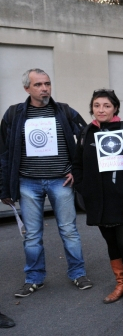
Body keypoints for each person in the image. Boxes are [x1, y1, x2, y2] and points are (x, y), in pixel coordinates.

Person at [0, 68, 92, 297]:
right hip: (27, 183)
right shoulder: (14, 114)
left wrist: (77, 171)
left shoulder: (64, 111)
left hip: (61, 181)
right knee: (31, 235)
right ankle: (34, 278)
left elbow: (86, 138)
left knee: (69, 230)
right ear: (27, 88)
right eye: (39, 85)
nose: (44, 88)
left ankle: (78, 274)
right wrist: (4, 187)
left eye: (47, 84)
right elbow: (3, 153)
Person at [72, 89, 123, 305]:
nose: (101, 109)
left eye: (106, 105)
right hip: (97, 200)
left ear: (115, 108)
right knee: (111, 244)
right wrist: (82, 186)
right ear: (92, 108)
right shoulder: (86, 133)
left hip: (122, 199)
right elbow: (77, 165)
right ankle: (120, 283)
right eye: (97, 105)